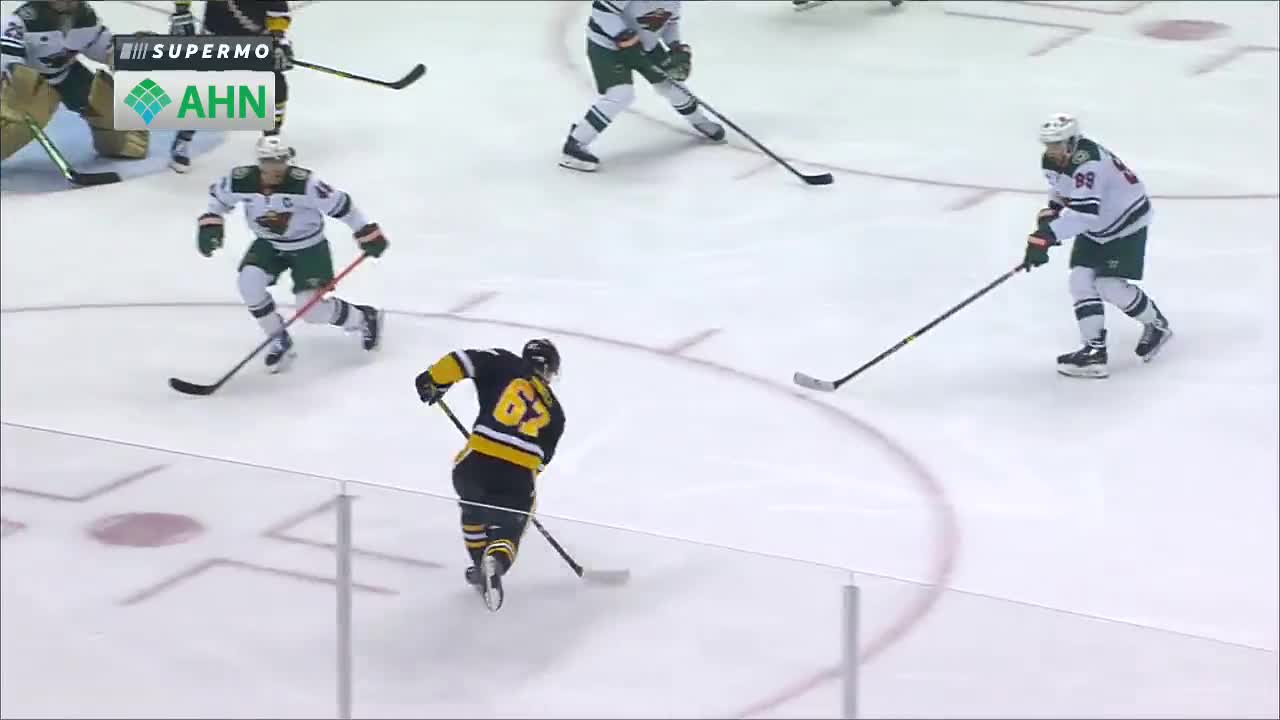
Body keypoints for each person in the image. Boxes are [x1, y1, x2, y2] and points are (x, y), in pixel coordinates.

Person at [197, 135, 388, 373]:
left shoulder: (305, 184)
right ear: (260, 162)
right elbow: (217, 199)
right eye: (269, 161)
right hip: (269, 244)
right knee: (249, 284)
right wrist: (211, 224)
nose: (275, 166)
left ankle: (364, 318)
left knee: (311, 311)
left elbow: (342, 205)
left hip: (309, 247)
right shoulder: (241, 180)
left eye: (280, 160)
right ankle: (279, 340)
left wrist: (366, 232)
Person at [415, 339, 566, 611]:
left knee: (472, 509)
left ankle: (478, 565)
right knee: (514, 522)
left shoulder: (503, 361)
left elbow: (461, 360)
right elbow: (538, 465)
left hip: (473, 466)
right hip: (516, 475)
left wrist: (434, 380)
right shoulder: (556, 413)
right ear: (549, 371)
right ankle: (494, 561)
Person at [1024, 113, 1172, 378]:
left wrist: (1046, 237)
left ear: (1072, 141)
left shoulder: (1089, 164)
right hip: (1097, 225)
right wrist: (1051, 214)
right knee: (1080, 280)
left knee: (1107, 284)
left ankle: (1157, 325)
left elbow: (1083, 216)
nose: (1051, 150)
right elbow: (1059, 189)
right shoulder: (1051, 159)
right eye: (1048, 144)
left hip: (1126, 223)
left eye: (1057, 144)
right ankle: (1094, 352)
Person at [560, 0, 724, 172]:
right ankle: (575, 145)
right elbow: (602, 11)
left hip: (647, 44)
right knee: (621, 94)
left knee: (673, 87)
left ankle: (700, 122)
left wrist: (675, 46)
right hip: (608, 46)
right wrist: (623, 36)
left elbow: (669, 22)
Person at [0, 0, 148, 162]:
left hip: (67, 75)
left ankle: (119, 142)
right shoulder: (23, 20)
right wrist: (11, 80)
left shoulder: (85, 17)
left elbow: (104, 50)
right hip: (31, 81)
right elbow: (6, 56)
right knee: (19, 118)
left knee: (106, 104)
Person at [167, 0, 293, 172]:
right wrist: (182, 11)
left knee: (275, 87)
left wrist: (278, 42)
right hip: (217, 34)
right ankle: (183, 139)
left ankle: (272, 141)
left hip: (258, 37)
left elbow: (277, 9)